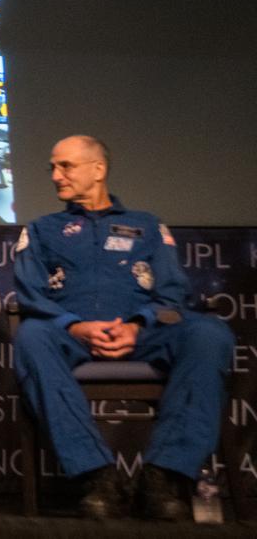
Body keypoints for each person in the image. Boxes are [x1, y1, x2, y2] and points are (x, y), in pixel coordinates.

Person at [13, 135, 235, 520]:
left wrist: (137, 325)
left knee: (209, 333)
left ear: (98, 170)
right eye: (52, 166)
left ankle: (163, 476)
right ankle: (96, 476)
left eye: (65, 165)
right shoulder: (42, 229)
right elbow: (30, 294)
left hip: (145, 333)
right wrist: (76, 326)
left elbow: (171, 294)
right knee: (31, 336)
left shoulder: (146, 226)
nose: (55, 175)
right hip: (71, 334)